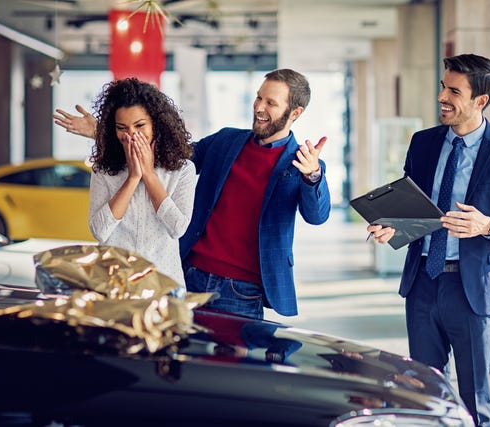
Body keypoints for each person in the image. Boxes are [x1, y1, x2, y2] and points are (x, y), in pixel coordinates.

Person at [53, 69, 331, 320]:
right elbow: (171, 153)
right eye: (259, 98)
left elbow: (317, 216)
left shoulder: (303, 163)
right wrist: (107, 134)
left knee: (227, 371)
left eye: (270, 103)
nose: (259, 107)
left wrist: (312, 175)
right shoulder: (226, 141)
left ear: (295, 113)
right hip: (190, 273)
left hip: (243, 290)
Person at [367, 54, 490, 427]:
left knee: (475, 400)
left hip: (472, 289)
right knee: (424, 395)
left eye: (454, 91)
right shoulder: (423, 143)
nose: (442, 96)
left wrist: (487, 225)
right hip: (423, 284)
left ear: (481, 101)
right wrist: (391, 226)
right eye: (443, 86)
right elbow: (412, 210)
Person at [80, 77, 196, 292]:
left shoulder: (182, 170)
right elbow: (99, 231)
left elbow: (178, 228)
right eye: (122, 128)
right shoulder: (103, 170)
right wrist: (133, 178)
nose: (131, 135)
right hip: (113, 285)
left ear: (157, 124)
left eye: (140, 125)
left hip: (164, 286)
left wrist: (149, 175)